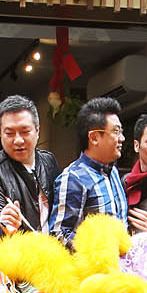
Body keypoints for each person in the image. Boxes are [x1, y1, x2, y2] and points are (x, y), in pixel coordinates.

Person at [0, 95, 61, 248]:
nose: (18, 140)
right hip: (21, 259)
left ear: (37, 130)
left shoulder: (49, 161)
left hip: (54, 254)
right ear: (0, 134)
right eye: (9, 133)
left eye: (25, 131)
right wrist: (3, 226)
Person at [50, 97, 127, 248]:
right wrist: (96, 252)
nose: (122, 138)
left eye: (121, 131)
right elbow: (60, 235)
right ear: (94, 138)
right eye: (116, 131)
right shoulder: (73, 178)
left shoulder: (113, 172)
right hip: (92, 269)